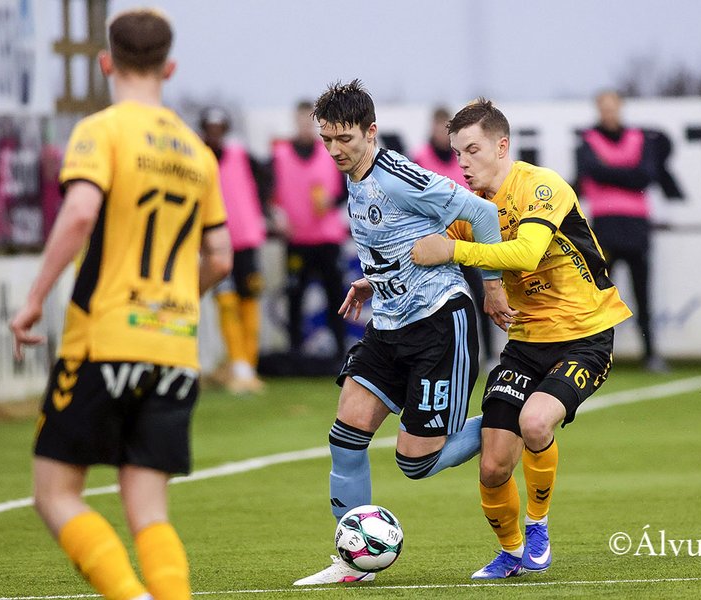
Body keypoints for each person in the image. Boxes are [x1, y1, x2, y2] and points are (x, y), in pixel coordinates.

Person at [8, 9, 232, 600]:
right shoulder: (197, 153)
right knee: (149, 509)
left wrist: (34, 299)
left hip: (103, 338)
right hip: (173, 347)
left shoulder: (101, 130)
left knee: (55, 493)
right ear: (170, 68)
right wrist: (174, 301)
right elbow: (220, 257)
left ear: (106, 63)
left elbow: (81, 212)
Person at [292, 81, 503, 586]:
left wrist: (493, 288)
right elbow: (399, 236)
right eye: (327, 140)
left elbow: (482, 213)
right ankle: (352, 561)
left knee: (416, 463)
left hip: (438, 323)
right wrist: (376, 279)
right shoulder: (355, 177)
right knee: (345, 438)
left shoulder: (397, 175)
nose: (334, 150)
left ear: (371, 132)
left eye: (344, 138)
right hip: (388, 324)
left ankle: (508, 417)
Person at [411, 99, 632, 579]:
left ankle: (537, 526)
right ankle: (511, 552)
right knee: (492, 467)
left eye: (473, 150)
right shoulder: (470, 208)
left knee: (534, 422)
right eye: (457, 153)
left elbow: (527, 253)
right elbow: (423, 250)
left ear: (502, 146)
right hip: (525, 341)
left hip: (585, 334)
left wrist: (453, 249)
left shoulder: (541, 186)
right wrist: (377, 280)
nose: (463, 163)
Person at [575, 90, 668, 373]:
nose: (609, 112)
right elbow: (590, 171)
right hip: (605, 225)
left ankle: (650, 354)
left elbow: (647, 175)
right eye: (604, 108)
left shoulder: (639, 138)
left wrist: (609, 172)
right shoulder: (588, 140)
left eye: (613, 107)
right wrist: (627, 172)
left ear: (620, 108)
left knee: (643, 293)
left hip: (637, 225)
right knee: (601, 294)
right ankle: (596, 355)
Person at [412, 107, 497, 367]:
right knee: (429, 302)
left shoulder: (463, 160)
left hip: (464, 242)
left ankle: (489, 355)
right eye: (437, 127)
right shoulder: (419, 158)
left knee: (482, 295)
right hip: (434, 243)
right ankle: (429, 355)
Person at [272, 100, 349, 360]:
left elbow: (344, 189)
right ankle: (295, 352)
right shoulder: (280, 156)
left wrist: (331, 201)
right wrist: (277, 216)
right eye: (301, 119)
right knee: (294, 297)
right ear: (295, 121)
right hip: (297, 239)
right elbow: (269, 193)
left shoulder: (330, 152)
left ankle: (340, 351)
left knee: (335, 296)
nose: (305, 125)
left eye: (309, 121)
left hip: (327, 239)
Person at [200, 106, 267, 394]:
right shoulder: (199, 158)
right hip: (216, 244)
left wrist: (261, 210)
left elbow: (267, 179)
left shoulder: (241, 155)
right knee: (226, 303)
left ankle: (248, 364)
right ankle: (238, 364)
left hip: (247, 240)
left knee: (249, 302)